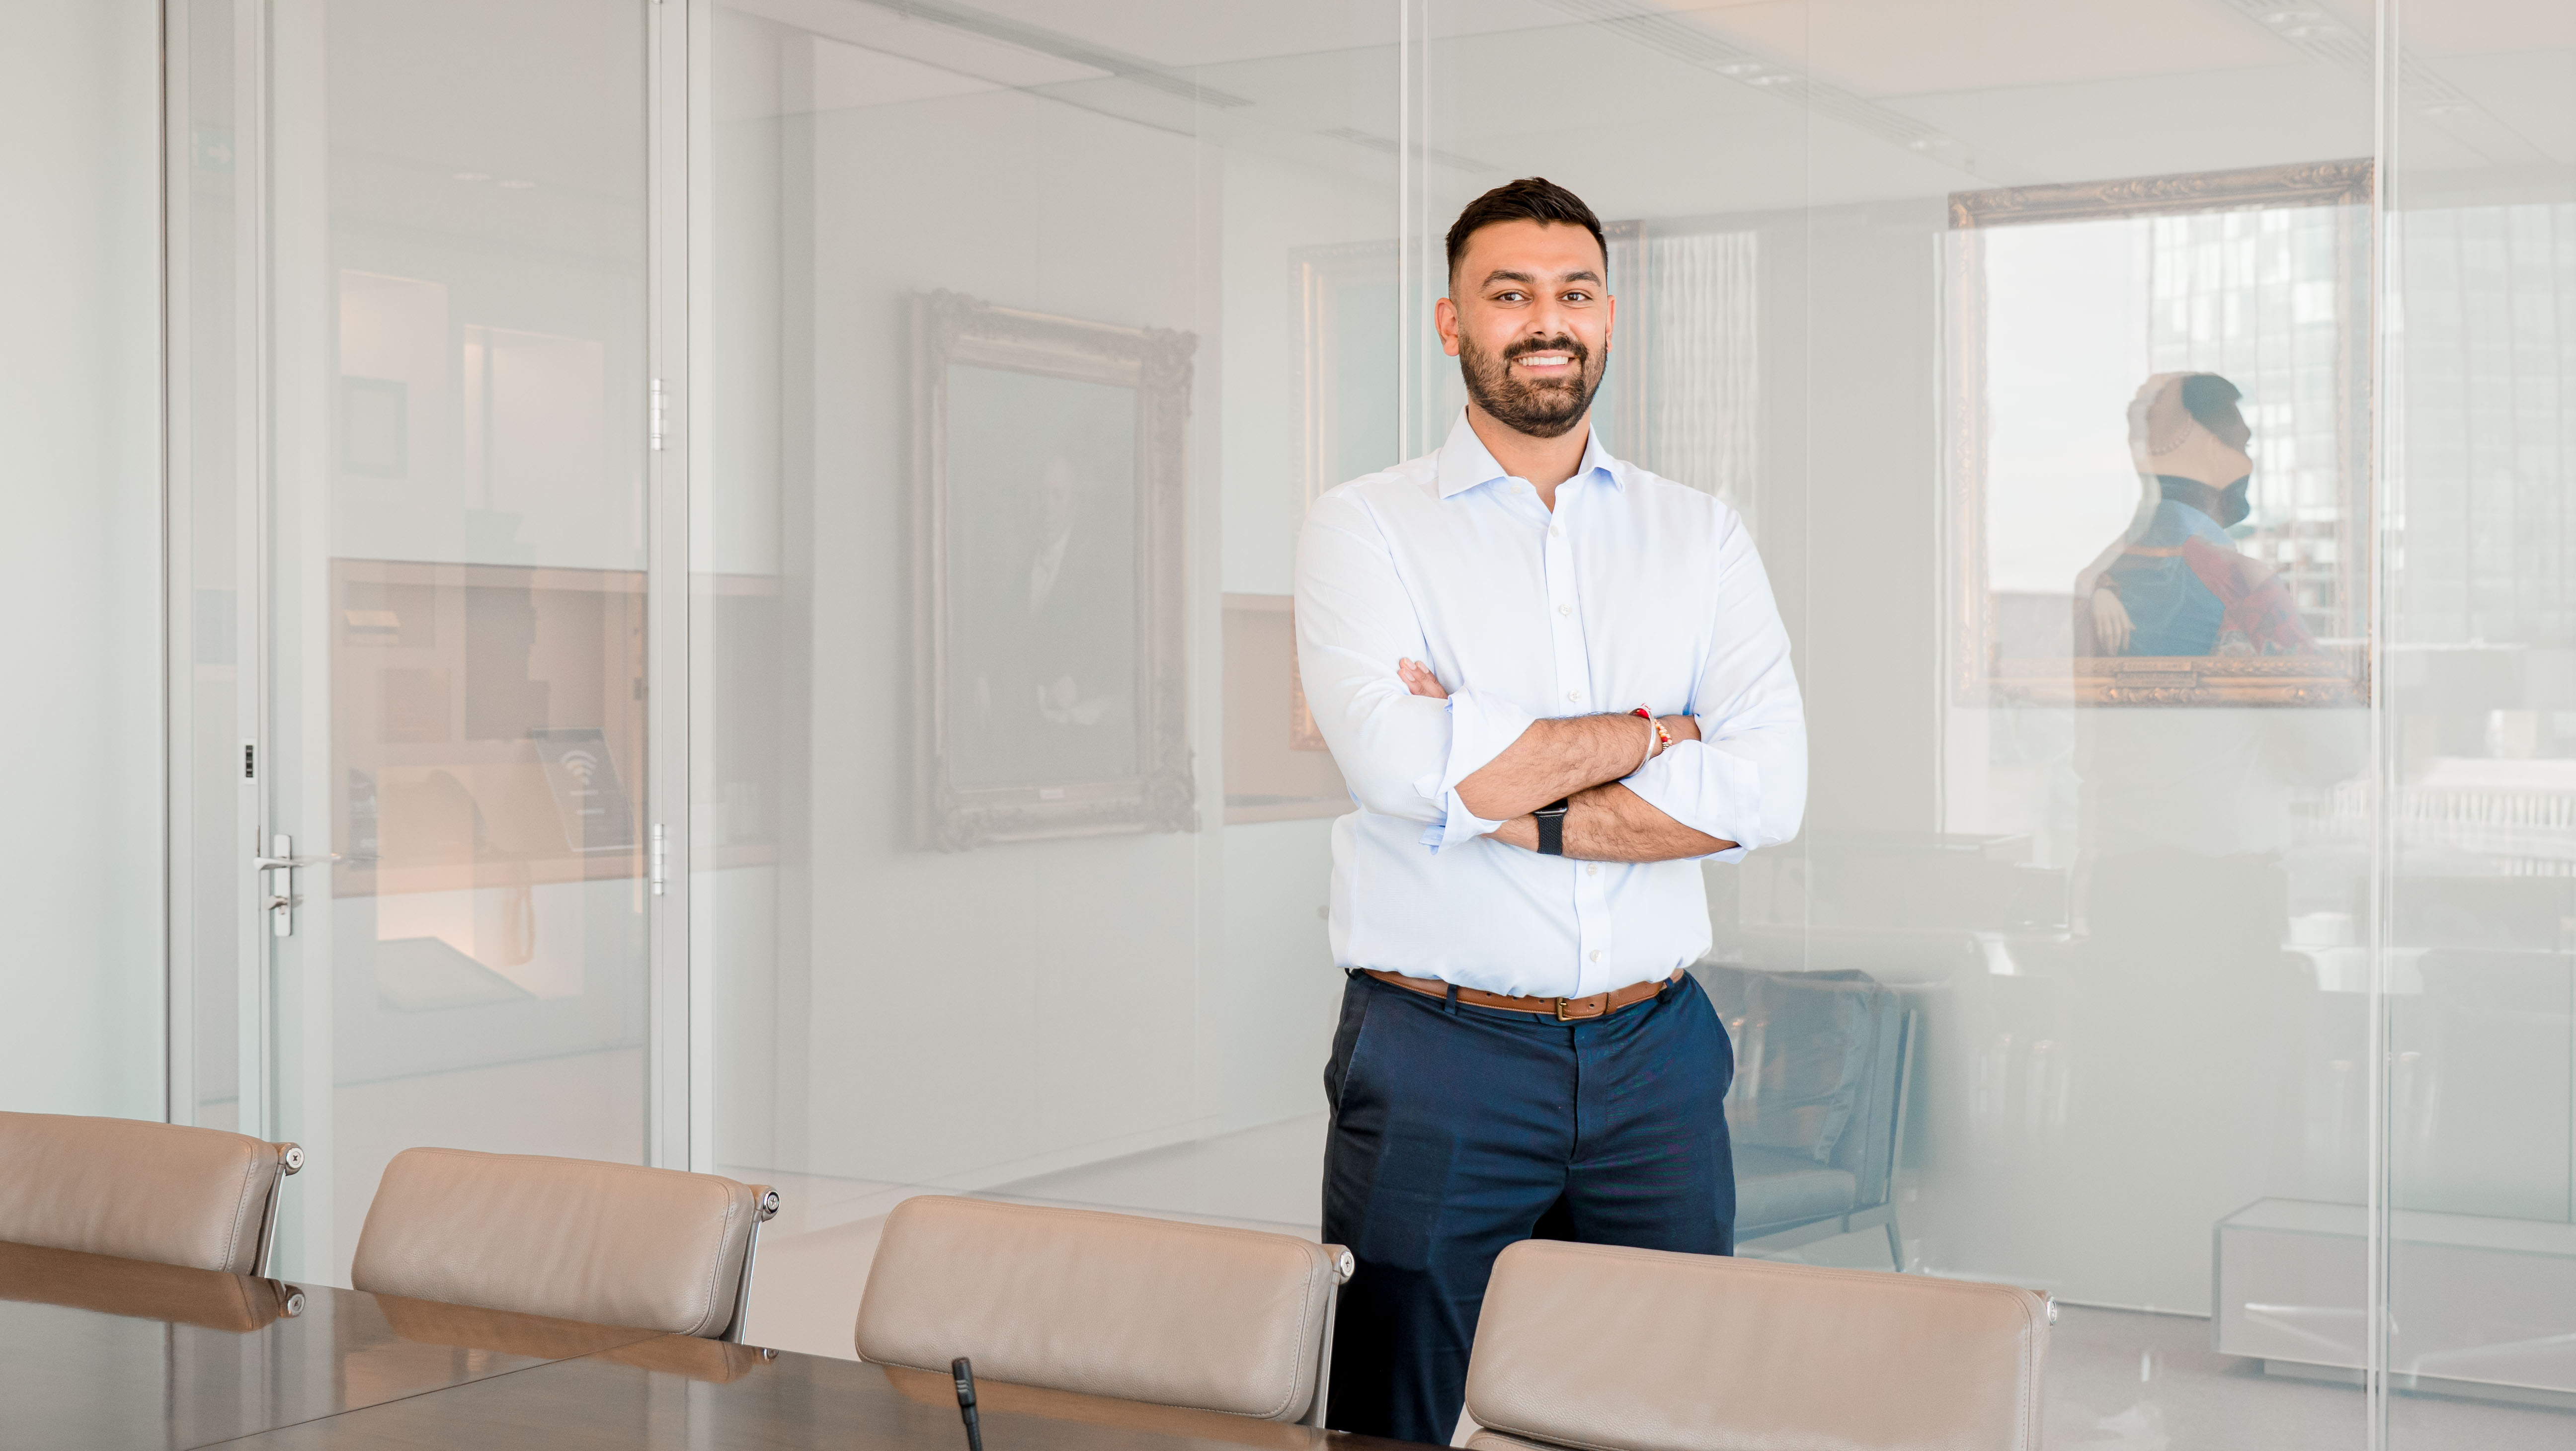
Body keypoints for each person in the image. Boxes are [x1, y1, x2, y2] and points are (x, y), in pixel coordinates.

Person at [1293, 177, 1806, 1442]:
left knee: (1668, 1406)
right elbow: (1395, 770)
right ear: (1449, 321)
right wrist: (1653, 736)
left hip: (1659, 1058)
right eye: (1509, 292)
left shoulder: (1701, 535)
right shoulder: (1366, 527)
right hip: (1437, 1056)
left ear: (1610, 316)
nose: (1546, 320)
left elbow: (1767, 789)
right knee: (1392, 1411)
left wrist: (1486, 770)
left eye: (1574, 293)